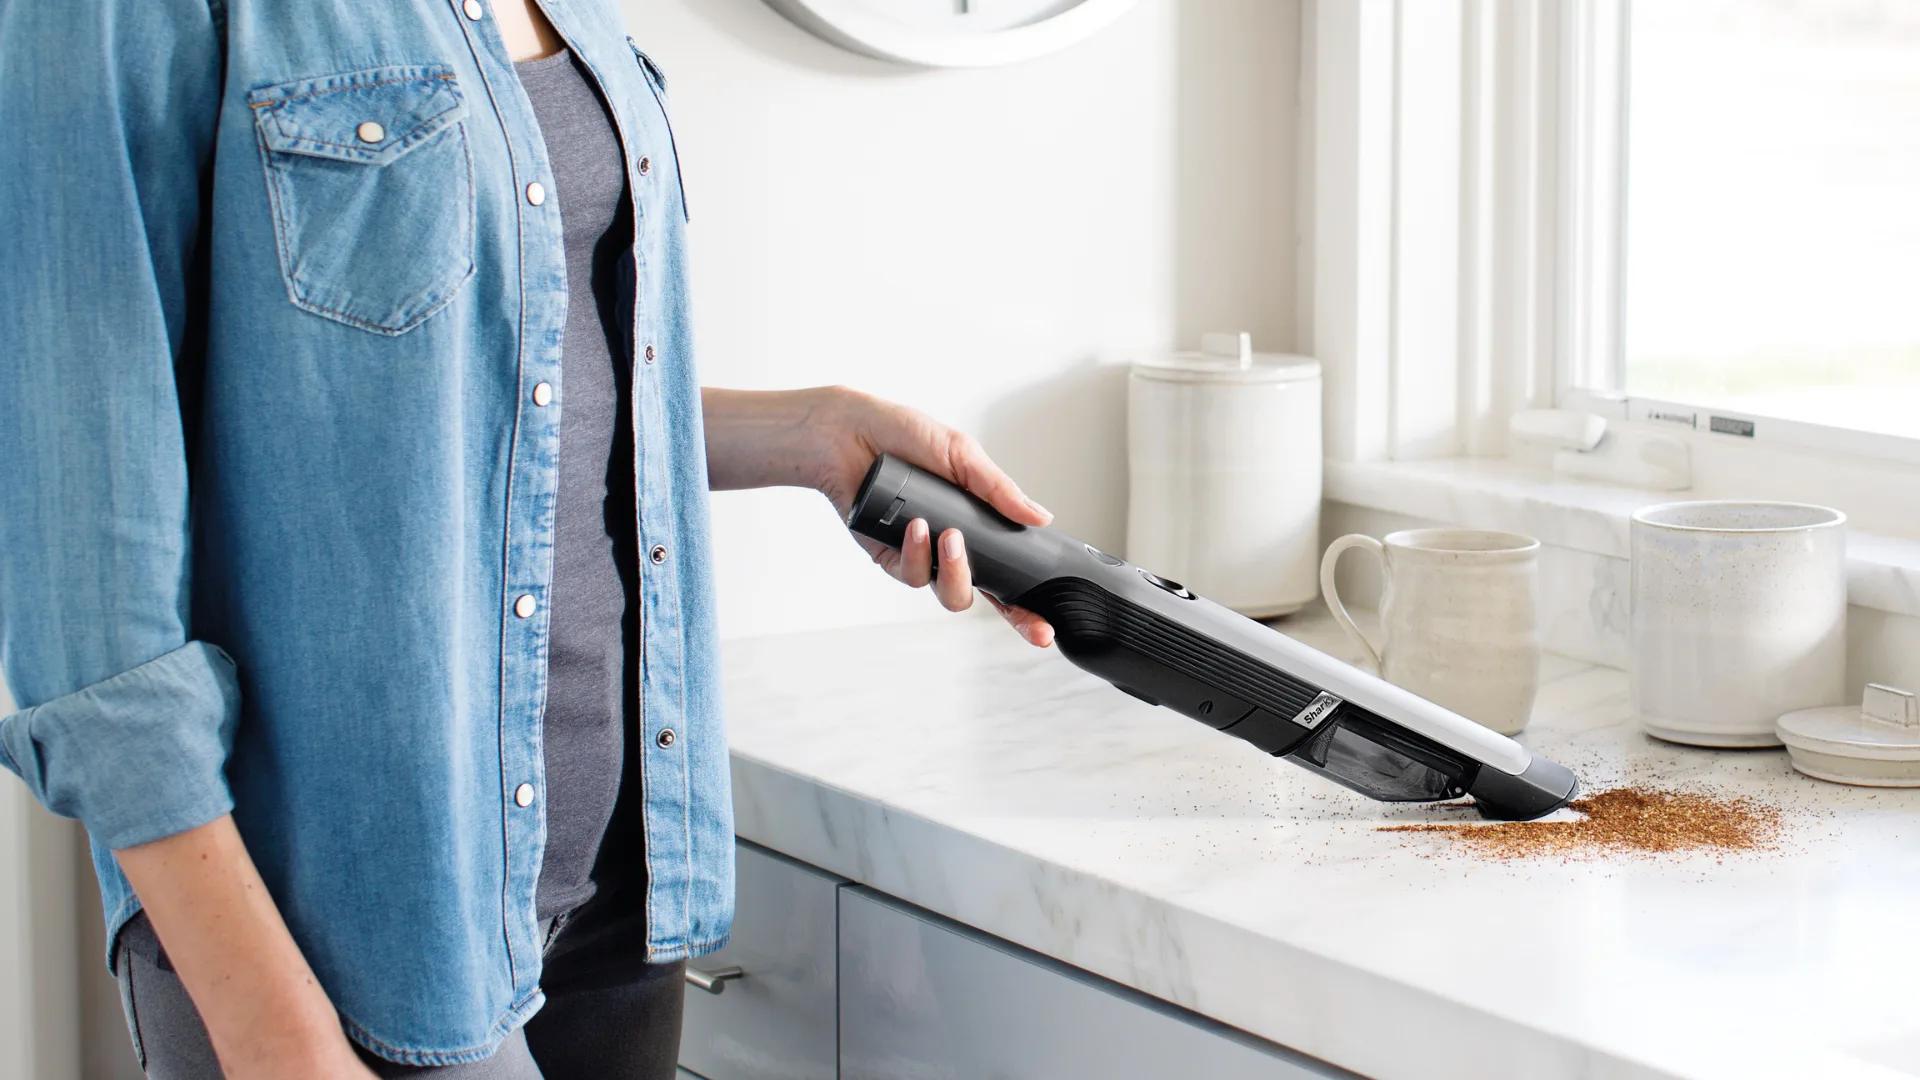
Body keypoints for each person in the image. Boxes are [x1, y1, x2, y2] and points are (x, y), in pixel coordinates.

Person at [0, 0, 1053, 1076]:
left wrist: (816, 436)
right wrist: (275, 1036)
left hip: (617, 896)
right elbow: (83, 585)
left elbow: (507, 399)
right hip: (352, 938)